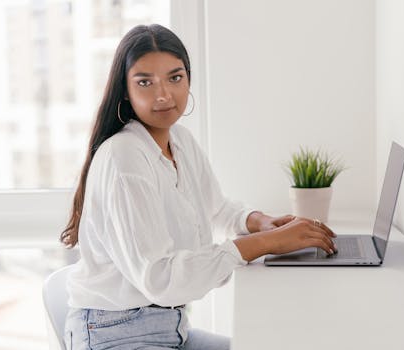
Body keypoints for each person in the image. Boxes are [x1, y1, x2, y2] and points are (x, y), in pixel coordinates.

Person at [60, 24, 337, 350]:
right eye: (145, 82)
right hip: (117, 333)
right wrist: (264, 243)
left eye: (175, 78)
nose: (163, 94)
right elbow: (159, 279)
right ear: (125, 90)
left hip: (169, 328)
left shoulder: (179, 141)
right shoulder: (125, 159)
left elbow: (216, 208)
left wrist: (259, 222)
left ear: (188, 80)